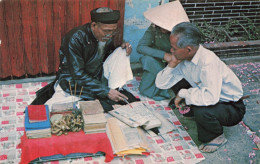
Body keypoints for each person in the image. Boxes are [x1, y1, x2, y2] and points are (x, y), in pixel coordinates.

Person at [155, 22, 246, 153]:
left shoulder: (208, 62)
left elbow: (211, 97)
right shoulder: (185, 58)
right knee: (178, 84)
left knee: (202, 109)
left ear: (188, 49)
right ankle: (198, 113)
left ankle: (216, 136)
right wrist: (172, 64)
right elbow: (161, 84)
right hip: (211, 96)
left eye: (174, 48)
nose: (171, 51)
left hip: (232, 107)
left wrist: (184, 93)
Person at [31, 7, 138, 112]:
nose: (109, 35)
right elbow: (77, 74)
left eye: (113, 31)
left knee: (122, 51)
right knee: (58, 108)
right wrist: (105, 91)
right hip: (73, 80)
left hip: (96, 74)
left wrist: (122, 46)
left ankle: (115, 87)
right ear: (94, 25)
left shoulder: (106, 36)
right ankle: (108, 91)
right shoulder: (75, 38)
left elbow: (106, 56)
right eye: (107, 31)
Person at [137, 1, 191, 101]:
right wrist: (163, 55)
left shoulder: (181, 33)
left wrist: (174, 58)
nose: (162, 28)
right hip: (157, 60)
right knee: (147, 62)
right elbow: (141, 47)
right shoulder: (153, 28)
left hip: (176, 63)